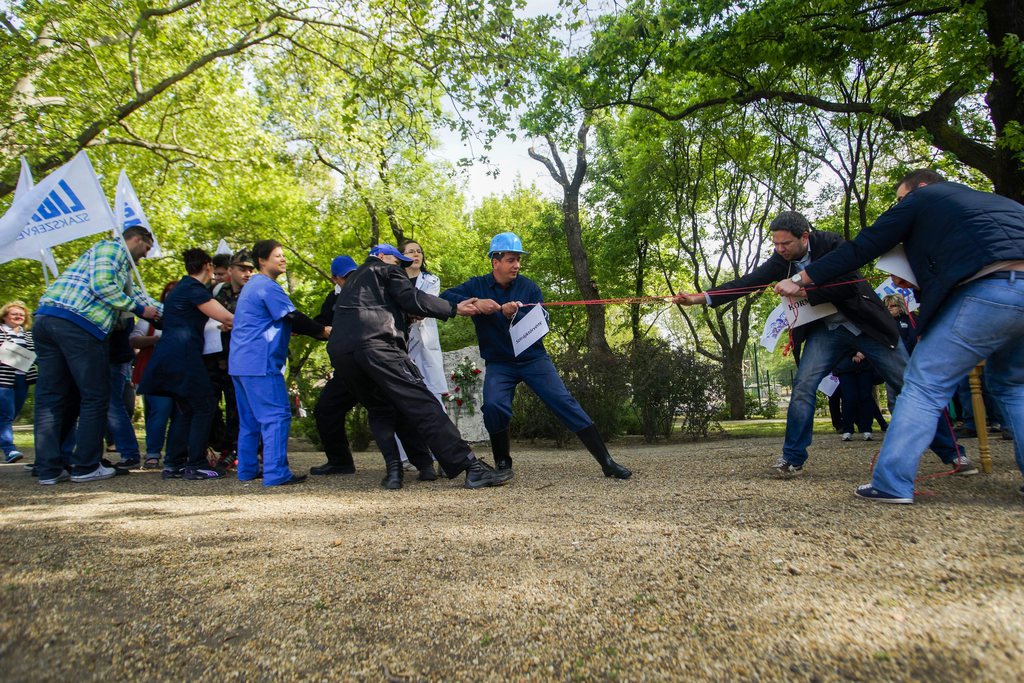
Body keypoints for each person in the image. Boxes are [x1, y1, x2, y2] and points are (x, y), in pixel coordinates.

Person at [775, 169, 1024, 503]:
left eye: (900, 199)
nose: (900, 206)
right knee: (1014, 385)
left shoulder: (921, 198)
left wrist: (803, 279)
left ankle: (893, 482)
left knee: (921, 386)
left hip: (987, 291)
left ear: (919, 188)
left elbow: (863, 247)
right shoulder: (998, 203)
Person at [675, 211, 971, 478]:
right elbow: (748, 281)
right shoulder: (782, 261)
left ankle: (953, 454)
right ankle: (792, 458)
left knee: (910, 386)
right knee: (803, 387)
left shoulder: (832, 244)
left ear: (804, 236)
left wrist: (801, 283)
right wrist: (699, 298)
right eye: (776, 245)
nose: (780, 250)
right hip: (826, 331)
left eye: (786, 244)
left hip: (866, 325)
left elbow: (846, 281)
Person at [441, 233, 632, 479]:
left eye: (518, 260)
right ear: (495, 261)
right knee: (494, 406)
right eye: (511, 259)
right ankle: (502, 463)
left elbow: (542, 322)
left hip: (533, 359)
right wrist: (476, 303)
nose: (517, 265)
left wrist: (512, 315)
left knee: (565, 402)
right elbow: (445, 297)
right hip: (500, 363)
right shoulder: (476, 285)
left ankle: (607, 462)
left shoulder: (530, 287)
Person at [327, 243, 512, 489]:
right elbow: (411, 297)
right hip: (378, 346)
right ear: (382, 256)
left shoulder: (350, 282)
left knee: (380, 409)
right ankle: (470, 467)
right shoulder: (385, 270)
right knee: (422, 402)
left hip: (342, 353)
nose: (403, 268)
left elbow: (373, 309)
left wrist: (404, 315)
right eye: (399, 262)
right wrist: (454, 308)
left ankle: (395, 472)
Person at [32, 227, 161, 485]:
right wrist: (139, 310)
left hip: (46, 319)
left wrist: (169, 311)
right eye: (146, 249)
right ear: (137, 240)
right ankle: (86, 466)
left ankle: (49, 469)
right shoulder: (112, 249)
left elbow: (137, 296)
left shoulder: (113, 264)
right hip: (80, 324)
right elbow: (103, 287)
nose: (144, 256)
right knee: (95, 396)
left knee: (51, 397)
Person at [229, 239, 329, 487]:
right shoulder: (266, 286)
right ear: (262, 261)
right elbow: (293, 317)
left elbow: (276, 321)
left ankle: (248, 470)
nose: (283, 259)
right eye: (277, 255)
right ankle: (276, 473)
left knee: (250, 420)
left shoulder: (251, 287)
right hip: (260, 362)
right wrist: (322, 331)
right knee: (276, 416)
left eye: (284, 255)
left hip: (240, 363)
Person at [138, 249, 234, 480]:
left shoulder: (179, 290)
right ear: (208, 265)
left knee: (186, 410)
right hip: (184, 356)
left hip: (170, 356)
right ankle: (196, 463)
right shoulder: (193, 289)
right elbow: (228, 317)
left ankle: (174, 462)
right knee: (205, 405)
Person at [397, 239, 448, 473]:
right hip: (400, 345)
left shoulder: (431, 280)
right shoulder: (394, 281)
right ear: (401, 256)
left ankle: (445, 452)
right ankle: (406, 456)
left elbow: (424, 307)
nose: (415, 254)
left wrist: (409, 310)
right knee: (401, 399)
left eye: (419, 251)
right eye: (410, 251)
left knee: (434, 397)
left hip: (426, 346)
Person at [205, 248, 254, 468]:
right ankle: (214, 445)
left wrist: (235, 324)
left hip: (241, 361)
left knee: (238, 409)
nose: (247, 273)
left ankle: (233, 450)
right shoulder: (216, 291)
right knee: (210, 407)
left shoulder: (254, 292)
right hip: (214, 360)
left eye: (251, 269)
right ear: (231, 270)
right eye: (242, 269)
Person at [130, 281, 180, 469]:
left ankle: (174, 455)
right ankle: (153, 453)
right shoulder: (150, 318)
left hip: (178, 372)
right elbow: (133, 341)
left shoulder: (187, 318)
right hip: (154, 372)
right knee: (159, 411)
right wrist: (156, 339)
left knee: (179, 415)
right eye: (168, 292)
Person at [0, 301, 36, 464]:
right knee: (6, 414)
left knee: (12, 414)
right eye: (14, 314)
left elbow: (35, 354)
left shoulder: (28, 334)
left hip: (23, 378)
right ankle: (9, 449)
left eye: (21, 314)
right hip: (3, 378)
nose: (18, 316)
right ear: (5, 316)